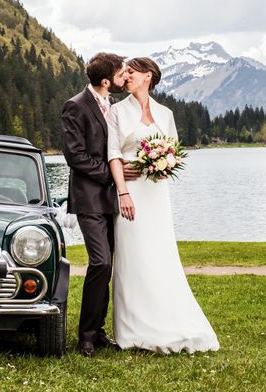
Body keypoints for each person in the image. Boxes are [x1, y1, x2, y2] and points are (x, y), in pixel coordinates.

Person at [107, 57, 220, 354]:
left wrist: (164, 163)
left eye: (131, 72)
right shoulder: (116, 112)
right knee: (132, 256)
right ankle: (131, 329)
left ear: (148, 76)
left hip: (157, 194)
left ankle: (168, 318)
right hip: (130, 192)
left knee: (160, 253)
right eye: (125, 72)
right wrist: (122, 193)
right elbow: (113, 155)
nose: (125, 77)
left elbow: (174, 151)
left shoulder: (165, 113)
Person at [61, 52, 139, 358]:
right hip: (88, 199)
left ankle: (99, 331)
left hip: (110, 199)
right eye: (121, 74)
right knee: (100, 262)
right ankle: (86, 336)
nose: (124, 78)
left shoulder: (114, 107)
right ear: (106, 81)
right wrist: (112, 173)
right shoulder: (75, 106)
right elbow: (75, 156)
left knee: (108, 266)